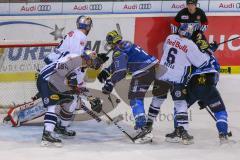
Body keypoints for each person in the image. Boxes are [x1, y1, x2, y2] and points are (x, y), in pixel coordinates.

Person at [145, 24, 212, 145]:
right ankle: (183, 130)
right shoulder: (190, 45)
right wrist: (208, 50)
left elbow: (170, 52)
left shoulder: (170, 38)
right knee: (180, 103)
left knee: (156, 100)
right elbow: (202, 63)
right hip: (177, 79)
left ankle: (147, 126)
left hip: (162, 75)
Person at [97, 30, 167, 143]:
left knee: (135, 98)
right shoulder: (126, 45)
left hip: (143, 71)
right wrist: (106, 71)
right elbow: (120, 64)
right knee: (138, 97)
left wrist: (110, 83)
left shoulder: (118, 51)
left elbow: (121, 71)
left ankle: (143, 128)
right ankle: (144, 126)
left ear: (111, 43)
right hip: (155, 68)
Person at [38, 49, 106, 147]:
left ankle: (62, 127)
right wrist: (72, 80)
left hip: (58, 84)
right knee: (52, 106)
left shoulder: (82, 69)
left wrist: (91, 98)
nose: (93, 63)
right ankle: (47, 135)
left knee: (73, 101)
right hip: (47, 80)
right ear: (86, 58)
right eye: (92, 60)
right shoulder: (74, 58)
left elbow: (79, 87)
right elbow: (60, 72)